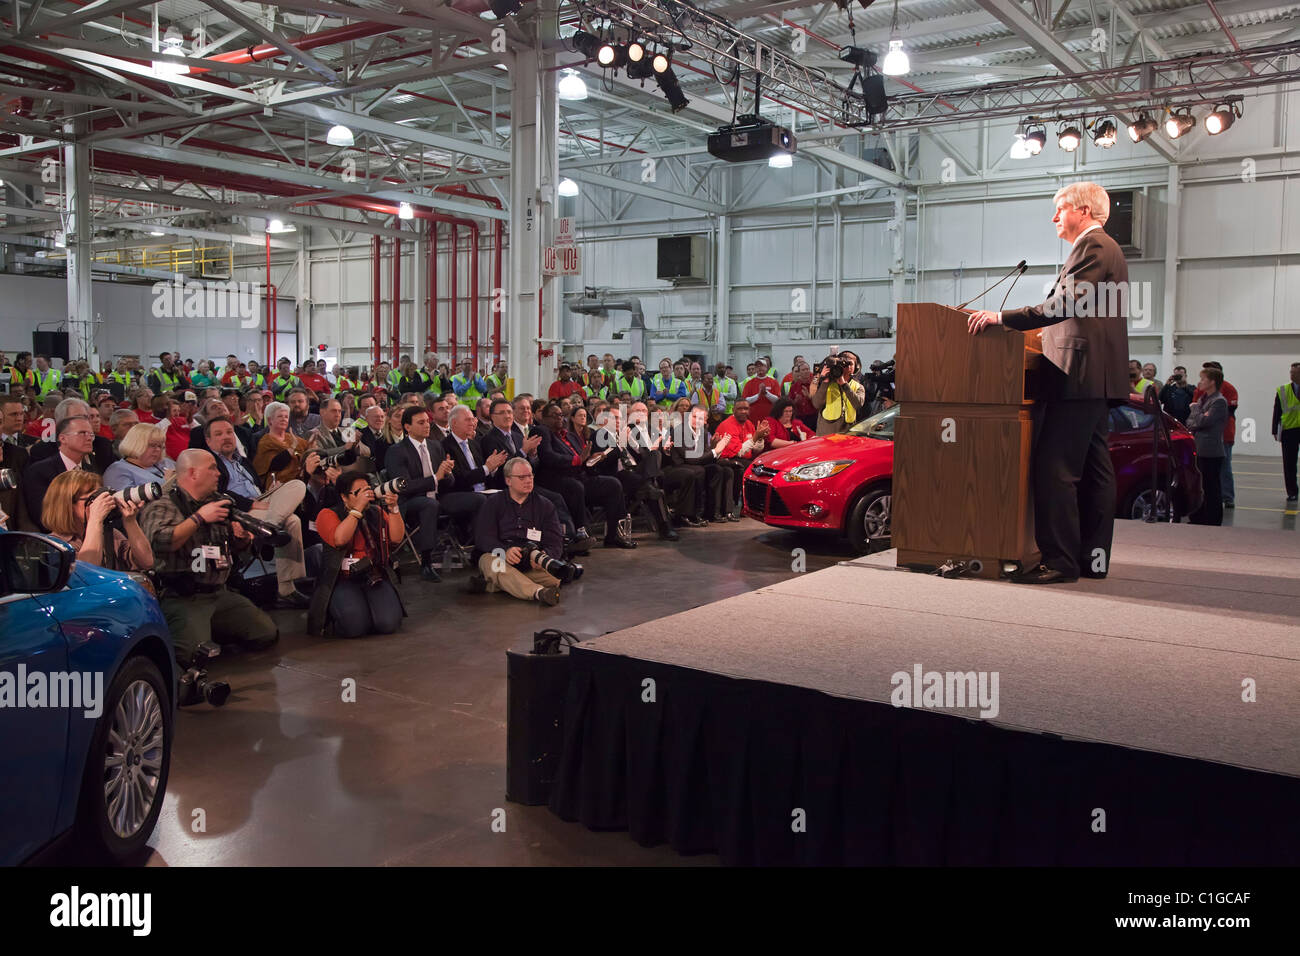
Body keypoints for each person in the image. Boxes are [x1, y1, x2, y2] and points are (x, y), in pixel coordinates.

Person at [967, 180, 1129, 584]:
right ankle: (1092, 561)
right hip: (1094, 376)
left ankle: (1060, 562)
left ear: (1085, 212)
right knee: (1094, 472)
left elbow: (1067, 303)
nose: (1055, 217)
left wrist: (1003, 318)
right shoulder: (1107, 248)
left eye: (1061, 209)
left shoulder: (1093, 246)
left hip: (1077, 373)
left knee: (1054, 469)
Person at [139, 449, 279, 670]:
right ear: (193, 473)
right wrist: (199, 518)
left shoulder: (220, 501)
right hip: (184, 596)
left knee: (265, 634)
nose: (219, 474)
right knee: (191, 657)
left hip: (219, 592)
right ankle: (193, 631)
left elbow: (231, 548)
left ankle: (211, 629)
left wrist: (241, 539)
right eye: (212, 468)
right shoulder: (163, 504)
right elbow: (160, 542)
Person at [206, 416, 312, 609]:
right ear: (208, 441)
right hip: (239, 511)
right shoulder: (211, 463)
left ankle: (269, 525)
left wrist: (272, 490)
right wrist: (252, 505)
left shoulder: (242, 460)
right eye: (219, 434)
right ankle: (286, 589)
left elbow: (257, 487)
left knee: (296, 485)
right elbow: (216, 493)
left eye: (229, 432)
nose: (226, 437)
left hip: (264, 504)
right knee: (293, 521)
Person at [384, 405, 480, 582]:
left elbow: (448, 483)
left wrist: (448, 473)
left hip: (438, 497)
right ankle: (426, 563)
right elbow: (404, 486)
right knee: (429, 505)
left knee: (480, 499)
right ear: (407, 427)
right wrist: (436, 477)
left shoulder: (436, 446)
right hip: (409, 501)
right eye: (421, 423)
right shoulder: (396, 451)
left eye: (427, 421)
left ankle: (479, 550)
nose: (427, 425)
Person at [309, 472, 406, 638]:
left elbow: (396, 539)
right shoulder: (328, 514)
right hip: (342, 579)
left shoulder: (375, 512)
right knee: (355, 627)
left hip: (372, 575)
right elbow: (340, 539)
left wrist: (393, 509)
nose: (365, 495)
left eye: (367, 490)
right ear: (344, 497)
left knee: (388, 624)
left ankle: (369, 609)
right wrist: (357, 510)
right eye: (358, 493)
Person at [469, 457, 565, 605]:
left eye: (530, 475)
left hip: (529, 560)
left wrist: (546, 555)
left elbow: (555, 540)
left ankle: (493, 584)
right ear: (508, 481)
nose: (528, 480)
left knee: (554, 580)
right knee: (493, 564)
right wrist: (505, 550)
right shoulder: (493, 503)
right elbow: (483, 538)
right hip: (497, 555)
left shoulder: (545, 505)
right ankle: (538, 592)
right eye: (522, 477)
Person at [42, 469, 153, 572]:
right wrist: (95, 519)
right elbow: (86, 572)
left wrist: (130, 522)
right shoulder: (54, 544)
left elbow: (146, 562)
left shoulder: (110, 534)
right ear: (67, 505)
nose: (100, 503)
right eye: (93, 499)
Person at [21, 415, 101, 531]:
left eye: (91, 434)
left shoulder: (92, 470)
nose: (89, 438)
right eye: (82, 433)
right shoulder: (39, 471)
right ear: (62, 438)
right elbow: (42, 516)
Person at [1187, 367, 1229, 526]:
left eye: (1203, 379)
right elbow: (1190, 422)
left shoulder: (1218, 401)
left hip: (1211, 451)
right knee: (1200, 485)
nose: (1200, 382)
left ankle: (1213, 518)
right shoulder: (1202, 400)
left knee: (1211, 487)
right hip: (1199, 447)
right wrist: (1198, 415)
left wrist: (1196, 410)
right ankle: (1199, 515)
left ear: (1212, 382)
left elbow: (1204, 422)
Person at [1194, 361, 1238, 510]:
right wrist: (1200, 416)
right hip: (1203, 438)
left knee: (1224, 468)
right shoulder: (1201, 394)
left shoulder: (1227, 391)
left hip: (1223, 434)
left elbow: (1227, 412)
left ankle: (1228, 497)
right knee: (1205, 474)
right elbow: (1194, 414)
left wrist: (1200, 416)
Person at [102, 423, 173, 492]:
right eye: (152, 445)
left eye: (160, 446)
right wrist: (166, 482)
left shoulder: (164, 462)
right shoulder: (117, 471)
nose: (157, 450)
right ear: (136, 444)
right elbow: (127, 501)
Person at [811, 352, 866, 435]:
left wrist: (844, 385)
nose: (847, 367)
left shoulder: (858, 386)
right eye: (844, 364)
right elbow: (816, 404)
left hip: (848, 433)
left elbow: (858, 404)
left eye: (850, 364)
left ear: (856, 368)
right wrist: (824, 381)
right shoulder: (827, 383)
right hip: (827, 435)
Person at [1273, 361, 1300, 503]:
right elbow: (1277, 410)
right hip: (1289, 430)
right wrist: (1274, 430)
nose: (1292, 375)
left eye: (1295, 372)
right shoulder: (1282, 390)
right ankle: (1292, 492)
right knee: (1289, 463)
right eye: (1291, 372)